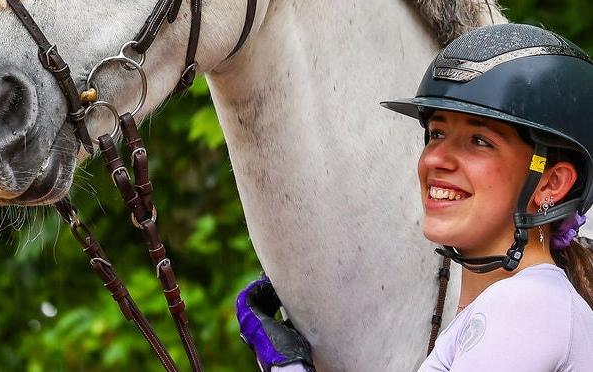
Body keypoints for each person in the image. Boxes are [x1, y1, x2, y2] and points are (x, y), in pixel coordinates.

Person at [236, 23, 593, 371]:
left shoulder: (526, 306)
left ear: (551, 183)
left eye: (480, 141)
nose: (436, 158)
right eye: (437, 133)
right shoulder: (511, 309)